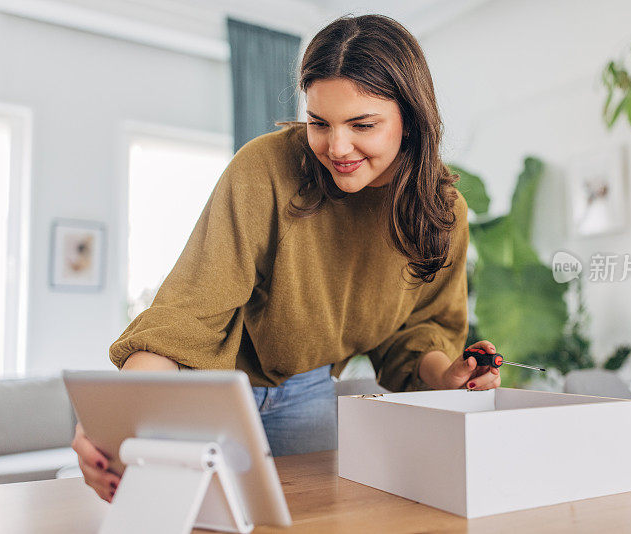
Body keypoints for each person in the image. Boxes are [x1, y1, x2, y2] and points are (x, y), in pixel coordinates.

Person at [71, 14, 502, 504]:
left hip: (305, 387)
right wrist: (118, 417)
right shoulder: (264, 168)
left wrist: (446, 375)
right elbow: (185, 317)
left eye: (362, 124)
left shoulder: (442, 212)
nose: (337, 148)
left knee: (317, 517)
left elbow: (416, 333)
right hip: (214, 387)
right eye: (319, 123)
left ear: (411, 120)